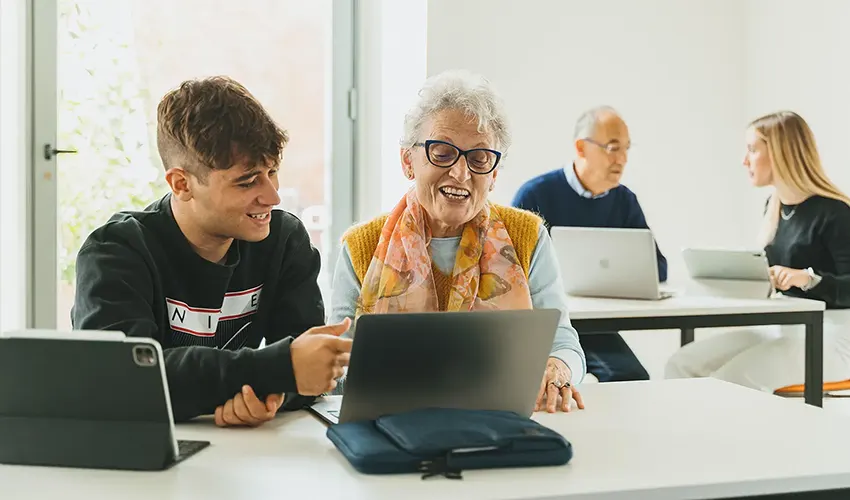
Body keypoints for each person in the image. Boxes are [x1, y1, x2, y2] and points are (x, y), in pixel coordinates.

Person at [72, 76, 352, 427]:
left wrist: (270, 392)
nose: (273, 196)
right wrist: (272, 372)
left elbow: (309, 368)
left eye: (273, 172)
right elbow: (122, 382)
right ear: (182, 184)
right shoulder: (115, 253)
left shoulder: (284, 239)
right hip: (141, 460)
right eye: (247, 181)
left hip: (245, 455)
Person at [329, 70, 587, 413]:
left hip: (500, 420)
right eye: (442, 152)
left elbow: (562, 339)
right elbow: (335, 364)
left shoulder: (527, 236)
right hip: (391, 423)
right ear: (409, 161)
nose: (461, 173)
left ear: (493, 174)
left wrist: (558, 368)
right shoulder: (361, 246)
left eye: (479, 158)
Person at [665, 110, 850, 391]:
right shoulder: (773, 207)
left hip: (832, 337)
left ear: (780, 152)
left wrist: (808, 279)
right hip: (784, 327)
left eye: (752, 149)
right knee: (681, 364)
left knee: (727, 384)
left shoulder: (834, 213)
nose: (744, 160)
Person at [511, 105, 663, 382]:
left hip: (596, 326)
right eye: (613, 147)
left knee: (633, 377)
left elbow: (658, 268)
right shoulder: (535, 195)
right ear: (581, 148)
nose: (623, 159)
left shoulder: (624, 200)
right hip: (547, 325)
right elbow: (510, 274)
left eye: (627, 149)